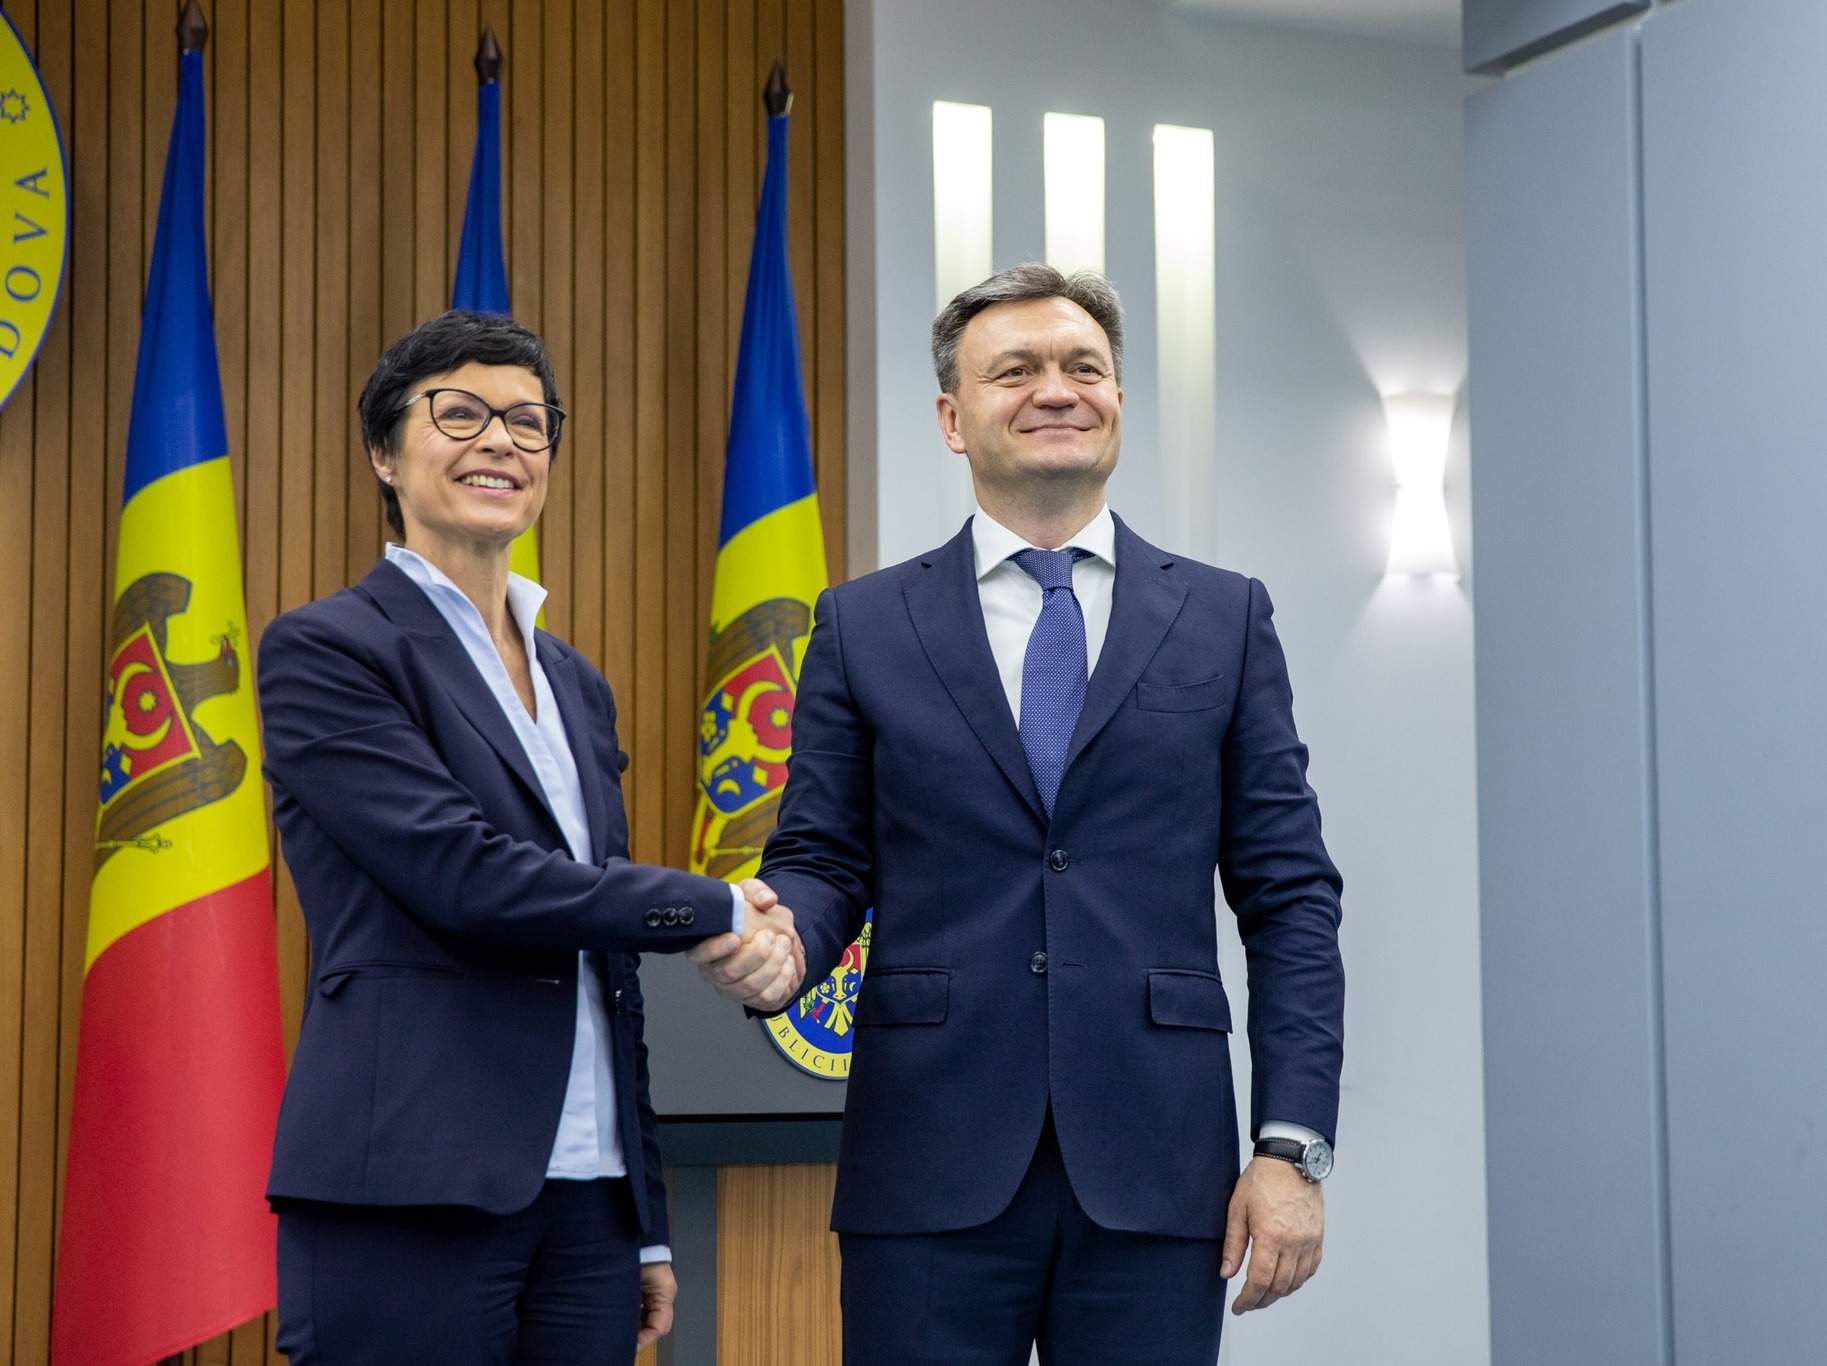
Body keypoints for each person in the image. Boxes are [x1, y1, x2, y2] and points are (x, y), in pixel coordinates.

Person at [693, 265, 1346, 1365]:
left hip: (1159, 1164)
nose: (1056, 388)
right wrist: (783, 940)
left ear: (1118, 404)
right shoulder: (862, 624)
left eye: (1083, 367)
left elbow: (1290, 898)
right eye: (1016, 370)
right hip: (927, 1157)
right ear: (953, 419)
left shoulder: (1224, 617)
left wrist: (1290, 1147)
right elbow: (823, 858)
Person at [258, 309, 802, 1365]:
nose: (500, 441)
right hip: (413, 1177)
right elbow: (464, 875)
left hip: (590, 1205)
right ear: (383, 453)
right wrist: (718, 904)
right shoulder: (328, 650)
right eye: (459, 414)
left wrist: (644, 1216)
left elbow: (607, 970)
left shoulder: (576, 683)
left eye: (527, 420)